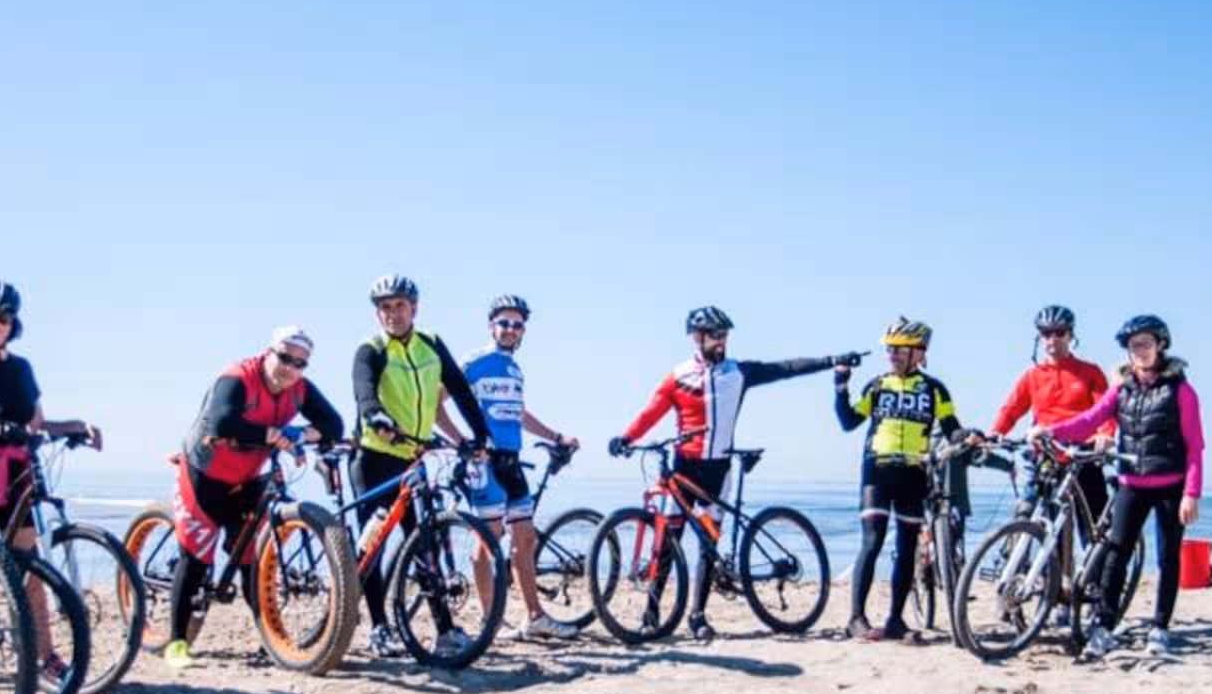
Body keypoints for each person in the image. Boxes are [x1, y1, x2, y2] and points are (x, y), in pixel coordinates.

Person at [610, 306, 849, 641]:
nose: (722, 341)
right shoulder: (678, 376)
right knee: (668, 542)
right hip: (684, 469)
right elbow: (652, 411)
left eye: (725, 335)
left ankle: (698, 616)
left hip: (718, 472)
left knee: (708, 543)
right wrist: (626, 438)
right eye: (716, 336)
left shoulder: (738, 373)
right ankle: (651, 615)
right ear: (698, 337)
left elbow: (785, 369)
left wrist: (829, 361)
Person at [0, 280, 101, 681]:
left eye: (3, 318)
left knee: (30, 569)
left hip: (15, 474)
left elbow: (36, 423)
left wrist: (79, 425)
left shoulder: (20, 368)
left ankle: (46, 657)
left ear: (14, 323)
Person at [163, 326, 345, 669]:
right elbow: (221, 421)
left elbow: (334, 425)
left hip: (247, 479)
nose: (290, 368)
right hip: (203, 476)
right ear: (268, 352)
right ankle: (176, 644)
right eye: (285, 358)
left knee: (251, 560)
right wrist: (273, 435)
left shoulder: (299, 389)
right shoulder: (238, 377)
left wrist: (300, 433)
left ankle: (271, 640)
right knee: (197, 557)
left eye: (300, 363)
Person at [1034, 314, 1205, 660]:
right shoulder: (1121, 389)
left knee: (1167, 558)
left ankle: (1159, 627)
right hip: (1131, 482)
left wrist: (1191, 493)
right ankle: (1104, 627)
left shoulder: (1181, 391)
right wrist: (1051, 431)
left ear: (1161, 345)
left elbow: (1195, 446)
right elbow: (1090, 420)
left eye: (1145, 343)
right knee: (1115, 554)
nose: (1139, 351)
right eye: (1133, 346)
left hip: (1170, 484)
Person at [351, 275, 493, 659]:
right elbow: (365, 394)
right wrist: (377, 416)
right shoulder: (371, 349)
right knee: (373, 547)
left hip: (412, 459)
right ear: (377, 313)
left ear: (414, 308)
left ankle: (445, 629)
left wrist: (480, 434)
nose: (393, 314)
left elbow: (460, 390)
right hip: (374, 458)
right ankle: (379, 628)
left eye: (400, 306)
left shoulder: (430, 343)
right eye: (385, 307)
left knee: (424, 542)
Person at [437, 294, 581, 641]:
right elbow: (435, 406)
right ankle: (490, 622)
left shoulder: (514, 368)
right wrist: (463, 442)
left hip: (512, 460)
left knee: (525, 538)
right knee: (487, 541)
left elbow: (519, 413)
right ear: (491, 326)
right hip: (484, 462)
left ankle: (534, 617)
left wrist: (555, 435)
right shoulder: (476, 361)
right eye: (504, 322)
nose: (510, 329)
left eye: (517, 325)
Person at [832, 317, 971, 642]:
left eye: (899, 350)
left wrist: (970, 437)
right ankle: (856, 618)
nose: (892, 355)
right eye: (889, 350)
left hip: (913, 472)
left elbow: (952, 428)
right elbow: (848, 421)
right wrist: (840, 385)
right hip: (877, 471)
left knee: (907, 547)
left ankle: (895, 619)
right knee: (872, 541)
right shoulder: (878, 385)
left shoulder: (935, 389)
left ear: (918, 353)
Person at [991, 304, 1115, 540]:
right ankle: (1052, 576)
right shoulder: (1032, 375)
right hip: (1047, 456)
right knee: (1049, 529)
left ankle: (1098, 575)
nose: (1053, 339)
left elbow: (1105, 411)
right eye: (1046, 333)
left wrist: (1105, 435)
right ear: (1039, 337)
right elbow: (1011, 409)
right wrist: (996, 433)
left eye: (1060, 333)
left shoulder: (1090, 372)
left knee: (1095, 530)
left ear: (1070, 335)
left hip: (1084, 456)